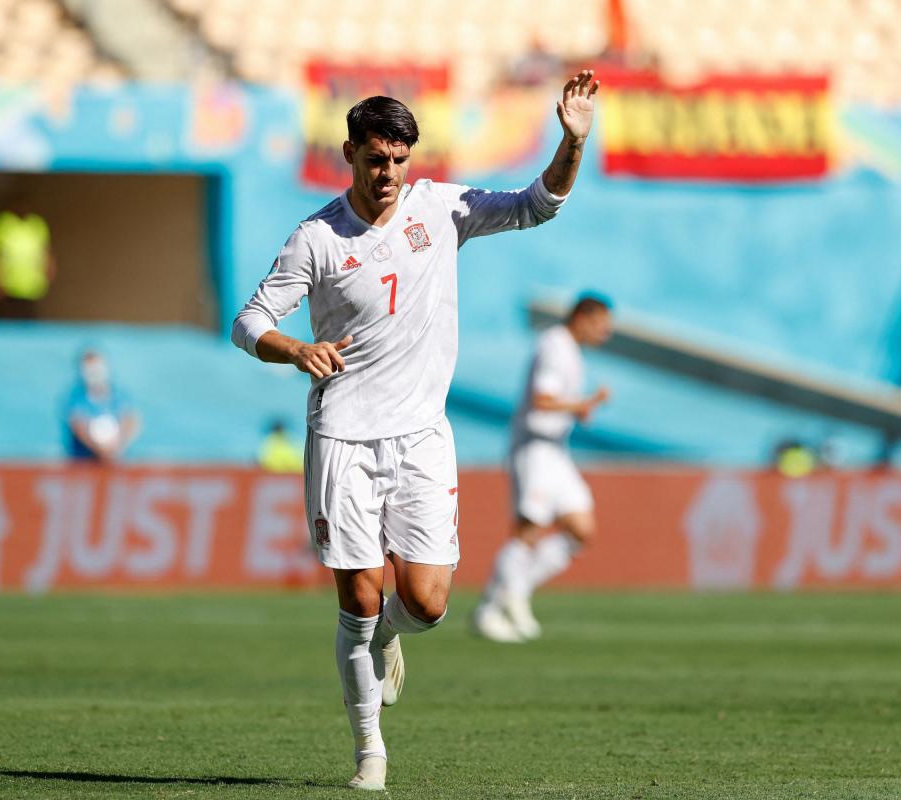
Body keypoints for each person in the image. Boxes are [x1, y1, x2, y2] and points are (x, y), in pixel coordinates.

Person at [230, 70, 600, 791]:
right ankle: (370, 750)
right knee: (359, 600)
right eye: (377, 159)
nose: (390, 173)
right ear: (349, 153)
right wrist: (296, 349)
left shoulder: (442, 208)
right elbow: (249, 322)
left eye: (400, 159)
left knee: (426, 604)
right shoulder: (316, 238)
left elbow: (539, 204)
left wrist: (573, 142)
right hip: (342, 436)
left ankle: (392, 638)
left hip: (422, 437)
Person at [472, 295, 613, 643]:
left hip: (556, 450)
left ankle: (513, 592)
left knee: (581, 529)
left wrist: (578, 409)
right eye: (601, 325)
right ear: (581, 317)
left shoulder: (571, 351)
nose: (604, 333)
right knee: (528, 530)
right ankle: (492, 610)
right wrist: (581, 404)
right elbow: (542, 399)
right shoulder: (555, 346)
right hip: (534, 448)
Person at [63, 348, 140, 463]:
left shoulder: (119, 395)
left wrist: (118, 446)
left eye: (97, 367)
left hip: (117, 460)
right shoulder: (76, 398)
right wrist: (102, 450)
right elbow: (78, 424)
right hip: (83, 462)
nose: (94, 373)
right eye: (90, 370)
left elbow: (131, 420)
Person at [0, 208, 55, 319]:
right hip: (6, 290)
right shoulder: (4, 224)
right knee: (4, 322)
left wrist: (48, 273)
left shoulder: (37, 226)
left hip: (30, 291)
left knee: (28, 323)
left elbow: (46, 253)